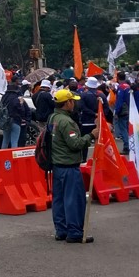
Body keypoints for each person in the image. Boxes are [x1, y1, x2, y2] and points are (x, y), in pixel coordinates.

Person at [50, 89, 97, 243]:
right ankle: (75, 232)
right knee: (74, 200)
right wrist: (90, 135)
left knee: (59, 200)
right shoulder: (66, 121)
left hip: (57, 165)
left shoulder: (53, 117)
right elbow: (75, 144)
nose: (74, 103)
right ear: (67, 103)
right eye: (72, 101)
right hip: (69, 166)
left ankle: (61, 230)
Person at [1, 82, 30, 149]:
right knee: (14, 141)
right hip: (15, 121)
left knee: (5, 140)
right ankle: (14, 157)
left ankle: (3, 156)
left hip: (6, 121)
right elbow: (22, 110)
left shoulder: (4, 98)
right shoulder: (17, 98)